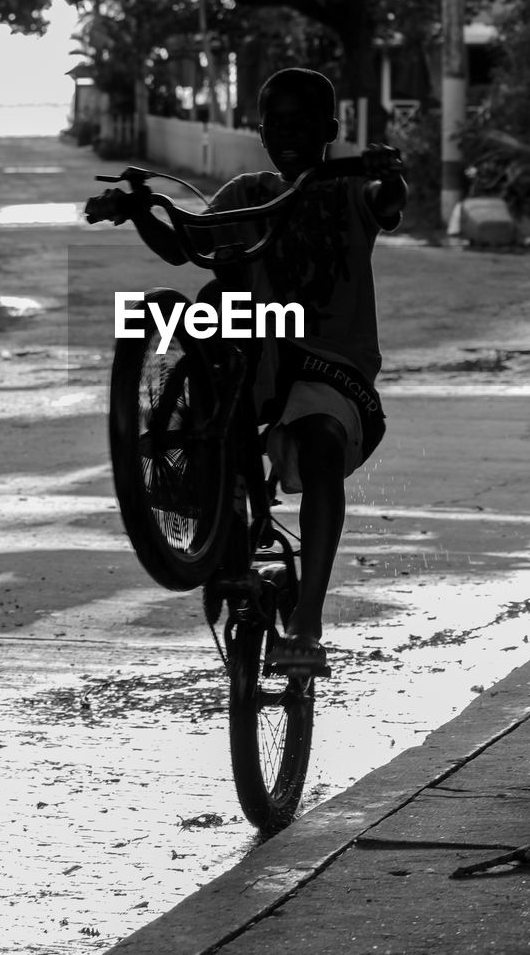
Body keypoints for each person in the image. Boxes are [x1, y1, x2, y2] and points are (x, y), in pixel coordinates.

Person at [85, 67, 407, 674]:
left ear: (330, 131)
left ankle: (308, 624)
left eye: (303, 123)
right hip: (259, 361)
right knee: (208, 309)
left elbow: (386, 204)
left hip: (330, 369)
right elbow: (186, 244)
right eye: (275, 123)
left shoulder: (346, 190)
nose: (287, 134)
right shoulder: (244, 193)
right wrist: (141, 209)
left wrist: (389, 177)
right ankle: (209, 495)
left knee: (318, 445)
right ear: (259, 130)